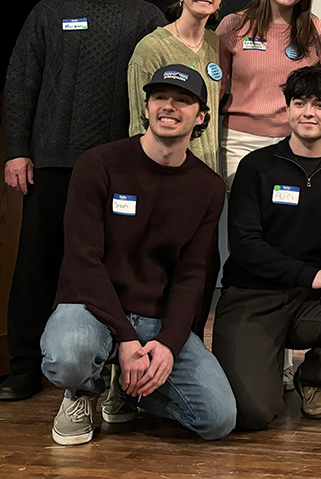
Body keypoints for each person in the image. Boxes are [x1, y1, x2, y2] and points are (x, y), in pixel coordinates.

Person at [1, 0, 165, 401]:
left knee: (114, 266)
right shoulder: (50, 11)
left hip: (118, 169)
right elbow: (20, 82)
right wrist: (17, 149)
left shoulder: (146, 17)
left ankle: (108, 371)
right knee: (36, 264)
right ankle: (26, 367)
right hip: (51, 162)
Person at [39, 65, 235, 445]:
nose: (169, 106)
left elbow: (192, 275)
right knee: (71, 356)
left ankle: (127, 387)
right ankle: (82, 392)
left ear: (202, 117)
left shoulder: (208, 187)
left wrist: (169, 343)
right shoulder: (98, 164)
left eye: (183, 100)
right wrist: (126, 338)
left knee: (218, 418)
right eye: (160, 97)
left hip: (154, 318)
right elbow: (82, 261)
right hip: (90, 306)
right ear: (146, 108)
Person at [212, 65, 321, 430]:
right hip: (250, 298)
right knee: (252, 414)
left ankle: (313, 379)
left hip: (308, 300)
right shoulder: (256, 167)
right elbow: (244, 246)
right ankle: (268, 364)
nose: (308, 112)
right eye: (300, 102)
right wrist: (316, 274)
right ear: (287, 109)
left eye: (320, 104)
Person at [216, 0, 321, 190]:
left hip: (297, 141)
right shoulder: (234, 25)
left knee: (289, 221)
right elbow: (215, 86)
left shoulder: (317, 31)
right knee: (246, 219)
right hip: (240, 143)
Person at [128, 0, 226, 173]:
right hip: (164, 171)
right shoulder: (151, 48)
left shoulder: (215, 43)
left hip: (206, 171)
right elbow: (138, 123)